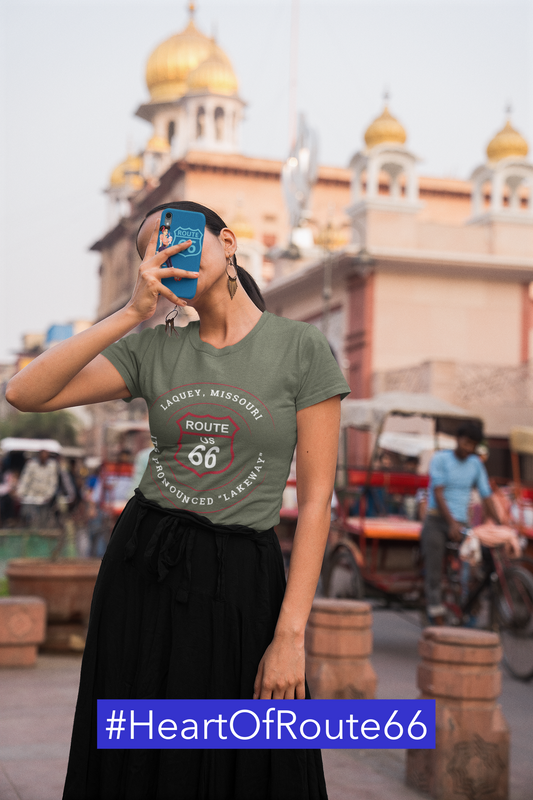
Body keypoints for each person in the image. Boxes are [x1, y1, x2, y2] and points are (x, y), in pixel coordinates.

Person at [6, 200, 349, 800]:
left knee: (254, 758)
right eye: (147, 252)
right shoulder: (153, 349)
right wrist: (132, 312)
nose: (163, 254)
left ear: (228, 242)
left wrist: (291, 635)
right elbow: (24, 392)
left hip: (244, 579)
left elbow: (317, 502)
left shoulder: (301, 349)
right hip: (144, 565)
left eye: (176, 238)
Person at [421, 421, 500, 625]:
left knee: (473, 564)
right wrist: (452, 523)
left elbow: (486, 495)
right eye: (466, 443)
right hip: (437, 520)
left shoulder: (476, 464)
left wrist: (500, 524)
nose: (468, 448)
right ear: (458, 440)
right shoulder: (440, 459)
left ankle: (470, 605)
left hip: (462, 524)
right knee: (435, 564)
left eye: (473, 445)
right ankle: (435, 609)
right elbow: (438, 493)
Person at [16, 448, 58, 528]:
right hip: (30, 497)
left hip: (44, 499)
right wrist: (20, 493)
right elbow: (25, 480)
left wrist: (49, 495)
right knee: (26, 516)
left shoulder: (52, 466)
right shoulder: (31, 464)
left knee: (43, 521)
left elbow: (53, 483)